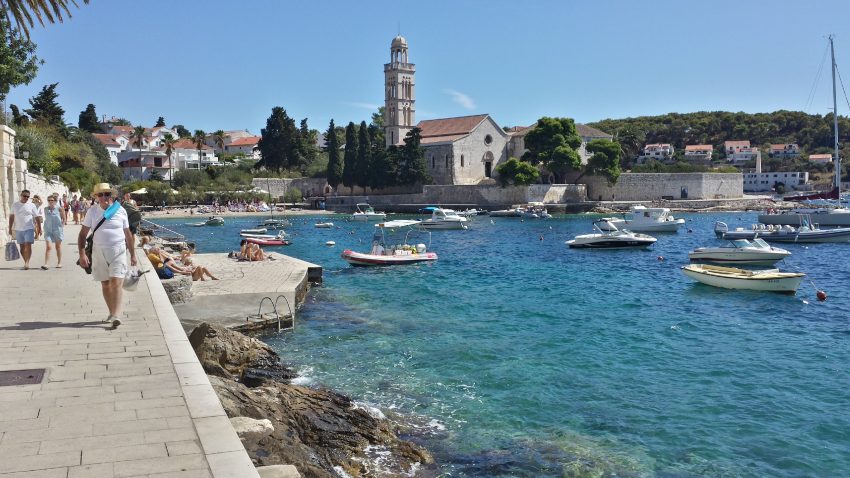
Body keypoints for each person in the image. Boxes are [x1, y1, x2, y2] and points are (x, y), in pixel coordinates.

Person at [77, 183, 137, 328]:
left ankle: (116, 315)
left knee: (116, 281)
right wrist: (82, 253)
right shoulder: (92, 212)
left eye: (107, 194)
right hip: (99, 251)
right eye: (101, 195)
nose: (104, 197)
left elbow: (128, 235)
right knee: (105, 283)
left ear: (112, 196)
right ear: (96, 197)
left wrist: (133, 254)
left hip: (119, 250)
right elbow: (83, 234)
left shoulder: (120, 211)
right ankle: (111, 312)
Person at [8, 189, 41, 270]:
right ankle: (25, 260)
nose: (26, 198)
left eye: (28, 197)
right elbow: (11, 217)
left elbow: (36, 217)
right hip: (18, 229)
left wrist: (39, 228)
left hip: (29, 228)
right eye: (24, 196)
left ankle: (27, 263)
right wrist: (10, 228)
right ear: (21, 196)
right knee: (22, 247)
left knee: (28, 244)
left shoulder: (32, 205)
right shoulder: (15, 205)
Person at [41, 194, 66, 269]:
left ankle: (59, 263)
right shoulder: (46, 209)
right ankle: (46, 264)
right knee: (48, 247)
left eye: (51, 200)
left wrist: (62, 227)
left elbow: (64, 218)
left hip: (57, 230)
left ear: (55, 201)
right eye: (48, 200)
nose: (50, 202)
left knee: (57, 247)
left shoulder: (59, 208)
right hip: (48, 230)